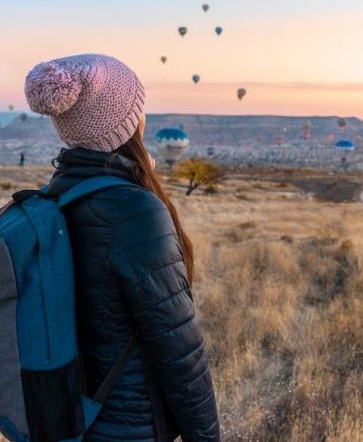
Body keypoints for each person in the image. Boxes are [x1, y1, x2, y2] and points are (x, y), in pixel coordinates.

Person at [24, 54, 220, 442]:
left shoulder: (56, 195)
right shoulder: (134, 210)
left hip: (73, 417)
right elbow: (179, 350)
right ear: (127, 123)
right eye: (138, 108)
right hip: (131, 426)